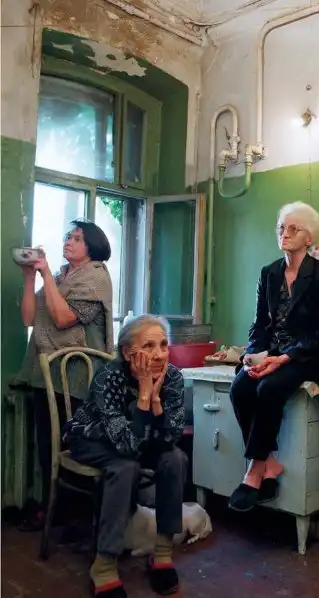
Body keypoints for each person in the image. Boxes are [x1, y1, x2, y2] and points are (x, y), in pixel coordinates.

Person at [63, 314, 186, 597]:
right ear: (128, 352)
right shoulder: (109, 376)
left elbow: (170, 439)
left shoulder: (173, 378)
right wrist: (143, 395)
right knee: (125, 466)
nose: (159, 354)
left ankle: (163, 554)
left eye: (164, 345)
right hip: (92, 439)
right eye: (149, 346)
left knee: (175, 459)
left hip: (139, 441)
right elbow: (126, 445)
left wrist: (156, 401)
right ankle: (104, 564)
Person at [228, 201, 319, 512]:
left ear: (309, 238)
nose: (284, 233)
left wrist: (284, 358)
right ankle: (270, 463)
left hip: (308, 357)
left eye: (293, 228)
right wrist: (253, 354)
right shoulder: (270, 273)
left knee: (269, 388)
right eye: (281, 228)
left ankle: (254, 471)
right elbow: (260, 324)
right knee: (240, 387)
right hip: (273, 355)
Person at [17, 219, 114, 532]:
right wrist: (30, 277)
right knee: (47, 445)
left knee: (75, 445)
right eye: (68, 236)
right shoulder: (60, 277)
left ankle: (77, 515)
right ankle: (53, 509)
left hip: (78, 378)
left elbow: (62, 319)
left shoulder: (96, 277)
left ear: (92, 246)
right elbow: (29, 317)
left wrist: (46, 273)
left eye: (77, 238)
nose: (68, 241)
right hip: (47, 374)